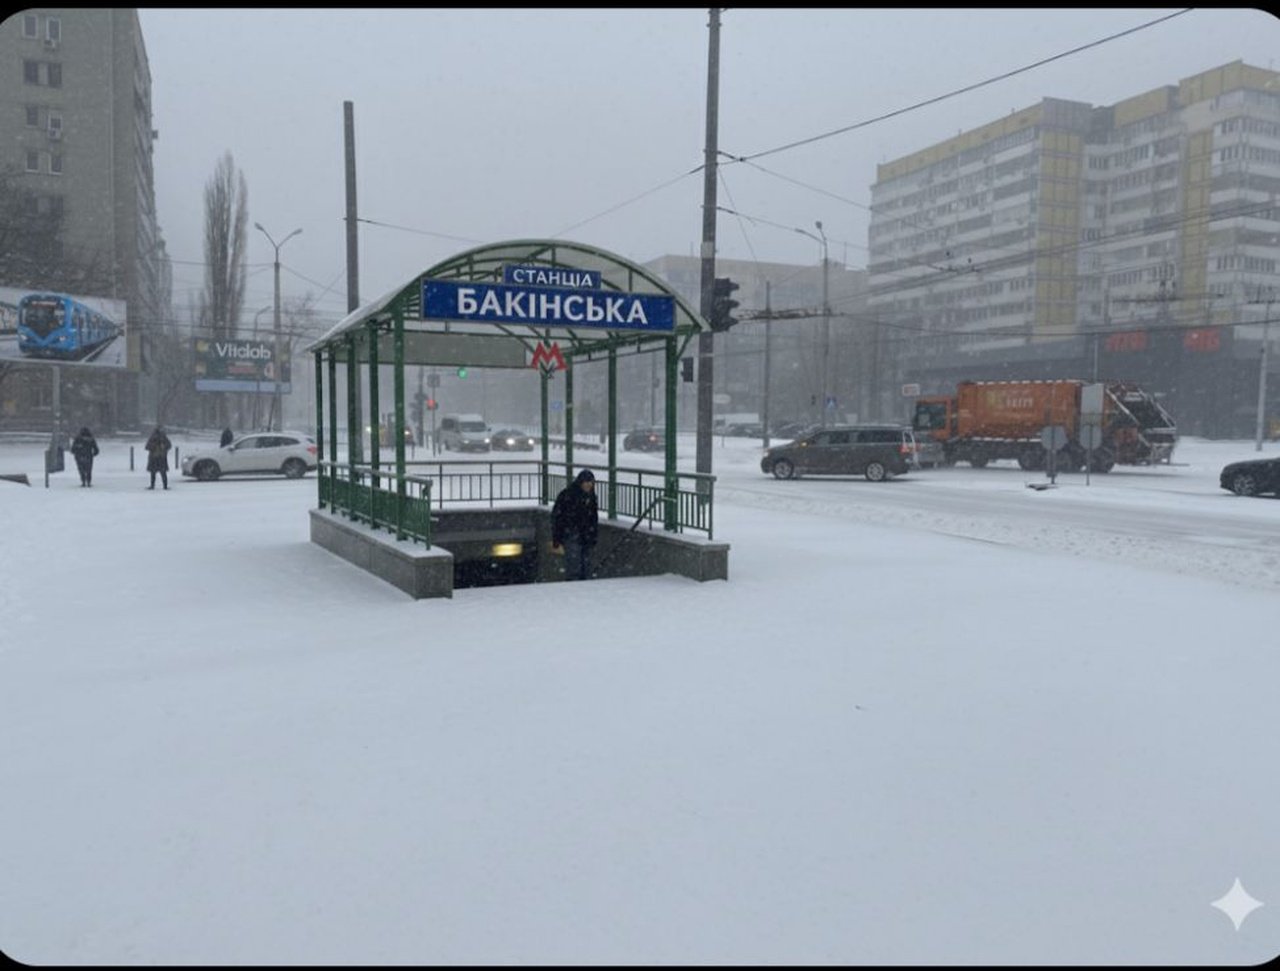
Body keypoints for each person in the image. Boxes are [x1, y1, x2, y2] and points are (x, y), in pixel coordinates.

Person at [551, 468, 599, 581]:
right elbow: (558, 517)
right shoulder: (568, 496)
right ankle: (575, 586)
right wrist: (557, 536)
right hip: (572, 534)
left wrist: (593, 534)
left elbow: (593, 518)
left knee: (585, 565)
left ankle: (580, 586)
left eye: (590, 483)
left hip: (584, 534)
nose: (588, 485)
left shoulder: (590, 498)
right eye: (586, 482)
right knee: (575, 566)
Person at [145, 425, 172, 490]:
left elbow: (169, 445)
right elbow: (147, 447)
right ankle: (158, 485)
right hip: (157, 457)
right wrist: (154, 445)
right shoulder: (154, 438)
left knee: (159, 473)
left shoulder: (163, 438)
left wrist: (164, 446)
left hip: (159, 457)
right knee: (158, 473)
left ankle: (158, 485)